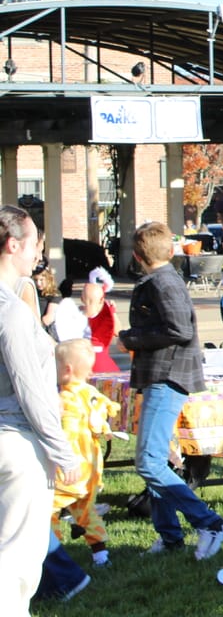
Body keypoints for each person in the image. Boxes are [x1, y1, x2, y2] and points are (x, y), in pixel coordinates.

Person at [117, 221, 223, 560]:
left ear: (137, 256)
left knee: (149, 461)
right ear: (171, 251)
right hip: (161, 375)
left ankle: (210, 523)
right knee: (158, 459)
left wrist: (130, 339)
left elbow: (179, 329)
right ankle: (170, 538)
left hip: (169, 377)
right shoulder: (161, 280)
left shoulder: (164, 283)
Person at [0, 205, 85, 613]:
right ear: (13, 245)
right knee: (16, 562)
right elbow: (30, 389)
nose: (38, 252)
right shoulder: (11, 312)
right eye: (34, 242)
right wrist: (62, 451)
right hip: (15, 444)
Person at [50, 338, 120, 568]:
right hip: (91, 467)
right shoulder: (91, 392)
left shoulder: (66, 398)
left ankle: (52, 553)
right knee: (85, 511)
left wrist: (59, 454)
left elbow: (67, 431)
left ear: (67, 370)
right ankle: (101, 556)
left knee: (47, 509)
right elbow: (106, 409)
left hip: (70, 468)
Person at [82, 267, 120, 374]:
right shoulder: (107, 314)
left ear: (81, 298)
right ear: (102, 300)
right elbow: (118, 332)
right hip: (102, 362)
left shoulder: (72, 314)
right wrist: (112, 312)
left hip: (80, 364)